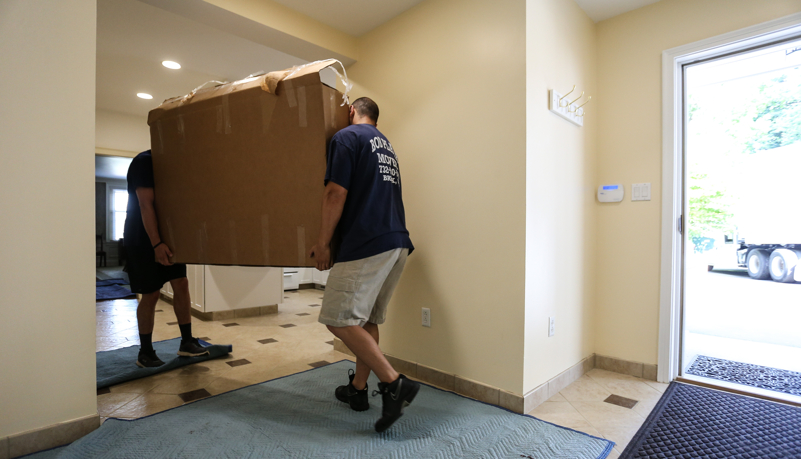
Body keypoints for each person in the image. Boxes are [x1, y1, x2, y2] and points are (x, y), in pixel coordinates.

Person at [310, 97, 417, 433]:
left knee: (337, 319)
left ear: (351, 112)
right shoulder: (386, 146)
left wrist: (323, 242)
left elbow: (335, 193)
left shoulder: (347, 137)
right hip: (396, 242)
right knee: (366, 319)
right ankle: (358, 391)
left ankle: (395, 384)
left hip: (367, 243)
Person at [124, 150, 208, 368]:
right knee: (150, 293)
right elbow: (145, 204)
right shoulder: (144, 162)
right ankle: (145, 352)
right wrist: (156, 243)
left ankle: (187, 342)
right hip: (142, 238)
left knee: (181, 283)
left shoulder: (175, 163)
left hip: (168, 237)